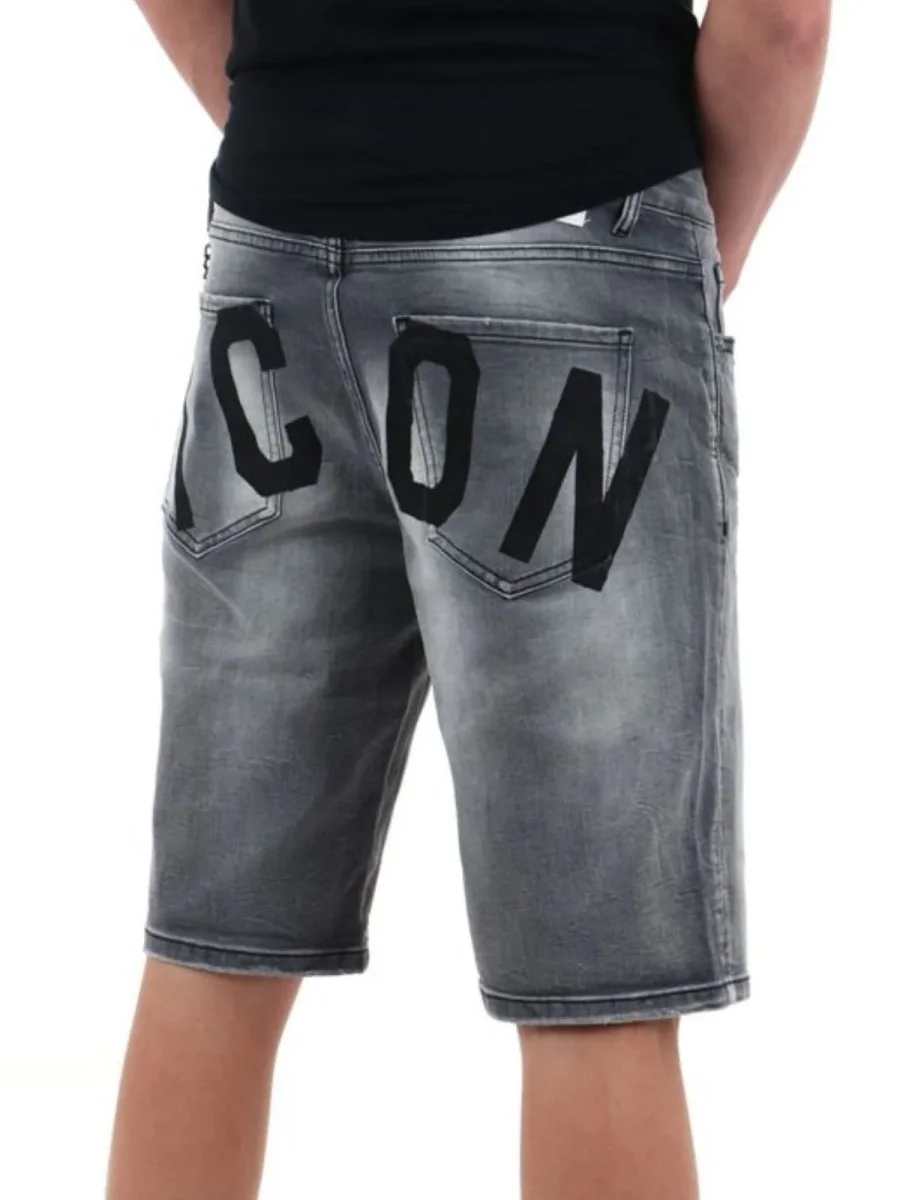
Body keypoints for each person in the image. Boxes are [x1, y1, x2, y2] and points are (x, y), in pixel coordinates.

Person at [106, 2, 830, 1197]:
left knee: (216, 939)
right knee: (597, 979)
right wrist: (696, 249)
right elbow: (783, 22)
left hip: (273, 265)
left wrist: (306, 133)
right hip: (566, 229)